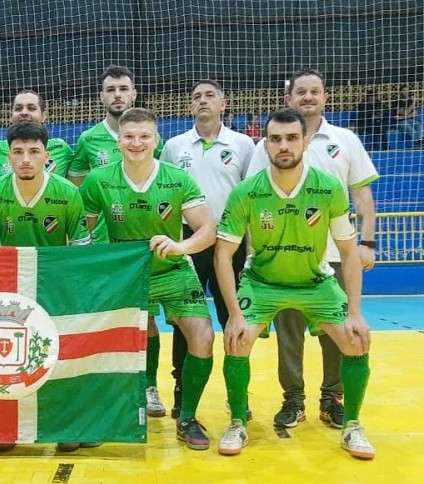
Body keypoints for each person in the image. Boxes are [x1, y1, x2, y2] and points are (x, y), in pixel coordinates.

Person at [215, 107, 374, 459]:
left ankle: (351, 426)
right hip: (262, 283)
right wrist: (233, 315)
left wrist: (356, 312)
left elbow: (348, 253)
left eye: (291, 138)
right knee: (236, 340)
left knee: (357, 340)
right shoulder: (246, 192)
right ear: (265, 144)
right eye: (275, 139)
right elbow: (223, 255)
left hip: (316, 283)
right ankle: (238, 422)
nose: (283, 145)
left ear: (305, 142)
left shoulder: (329, 187)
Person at [246, 69, 377, 431]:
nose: (307, 97)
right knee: (290, 334)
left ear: (325, 97)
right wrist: (257, 256)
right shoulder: (267, 144)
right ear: (288, 99)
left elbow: (362, 194)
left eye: (314, 91)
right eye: (299, 92)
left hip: (337, 252)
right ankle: (294, 398)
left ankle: (332, 397)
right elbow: (254, 198)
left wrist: (367, 242)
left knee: (337, 331)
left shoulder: (346, 139)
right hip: (286, 256)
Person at [81, 108, 217, 451]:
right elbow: (82, 231)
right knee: (121, 337)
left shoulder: (176, 178)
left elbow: (208, 231)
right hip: (126, 274)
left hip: (172, 270)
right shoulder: (99, 180)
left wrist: (180, 245)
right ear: (119, 141)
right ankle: (135, 396)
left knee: (202, 334)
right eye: (129, 136)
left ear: (157, 141)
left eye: (144, 136)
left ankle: (187, 417)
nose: (136, 143)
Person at [0, 121, 91, 451]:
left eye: (34, 152)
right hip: (11, 291)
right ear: (8, 156)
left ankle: (65, 424)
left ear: (46, 156)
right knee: (8, 361)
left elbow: (80, 253)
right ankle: (5, 427)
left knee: (60, 357)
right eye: (18, 152)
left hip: (55, 288)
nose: (26, 158)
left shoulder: (68, 193)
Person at [160, 80, 255, 419]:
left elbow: (252, 196)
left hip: (232, 243)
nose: (203, 101)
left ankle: (237, 395)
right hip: (189, 242)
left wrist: (251, 248)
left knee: (235, 319)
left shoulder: (243, 145)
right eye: (196, 97)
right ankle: (181, 390)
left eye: (210, 95)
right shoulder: (173, 146)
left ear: (223, 103)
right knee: (187, 321)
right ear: (189, 107)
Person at [68, 65, 161, 246]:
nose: (117, 95)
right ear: (101, 96)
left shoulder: (152, 139)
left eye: (123, 89)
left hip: (145, 236)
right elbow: (75, 190)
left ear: (134, 94)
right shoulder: (88, 139)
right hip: (102, 240)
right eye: (110, 90)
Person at [0, 90, 73, 178]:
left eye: (31, 108)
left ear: (43, 116)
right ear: (11, 116)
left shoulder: (62, 148)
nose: (24, 113)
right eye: (18, 109)